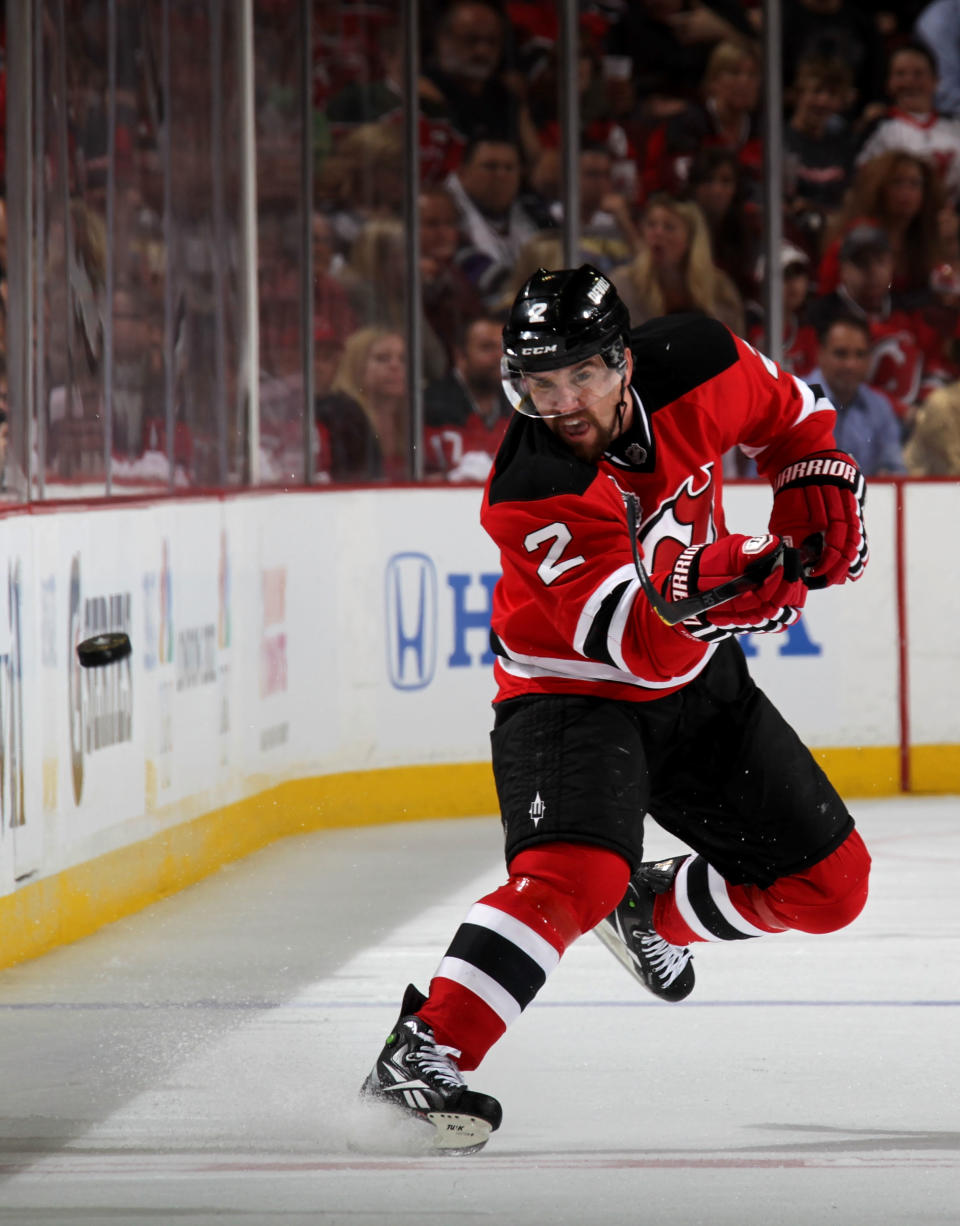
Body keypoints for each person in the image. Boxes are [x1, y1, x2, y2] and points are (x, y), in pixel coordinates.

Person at [360, 264, 872, 1153]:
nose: (559, 401)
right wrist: (712, 589)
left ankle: (654, 912)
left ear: (623, 361)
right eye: (537, 382)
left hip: (700, 685)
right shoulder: (532, 485)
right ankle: (425, 1048)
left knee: (832, 888)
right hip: (568, 697)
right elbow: (635, 641)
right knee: (574, 875)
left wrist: (814, 475)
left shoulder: (701, 361)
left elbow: (794, 417)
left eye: (580, 376)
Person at [611, 193, 745, 335]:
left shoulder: (719, 288)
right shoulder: (622, 284)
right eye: (651, 225)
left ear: (691, 238)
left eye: (669, 227)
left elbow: (735, 345)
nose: (658, 233)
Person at [855, 40, 960, 203]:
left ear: (936, 81)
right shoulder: (877, 127)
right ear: (888, 83)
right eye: (900, 74)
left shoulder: (955, 126)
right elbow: (862, 184)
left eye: (918, 74)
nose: (909, 82)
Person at [806, 315, 907, 474]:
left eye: (860, 354)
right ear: (820, 354)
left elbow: (894, 471)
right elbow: (760, 480)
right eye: (841, 354)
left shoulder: (879, 407)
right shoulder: (794, 401)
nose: (851, 364)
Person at [423, 315, 512, 481]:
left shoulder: (518, 406)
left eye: (504, 348)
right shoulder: (428, 406)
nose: (500, 357)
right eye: (487, 348)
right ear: (460, 355)